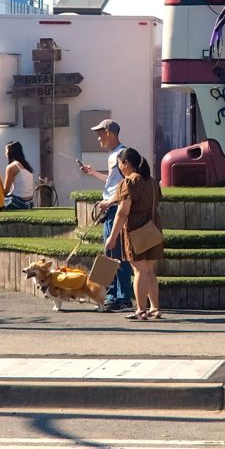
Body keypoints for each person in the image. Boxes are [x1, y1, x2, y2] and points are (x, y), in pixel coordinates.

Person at [77, 119, 133, 312]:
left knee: (115, 252)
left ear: (109, 132)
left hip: (115, 208)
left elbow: (127, 184)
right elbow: (111, 182)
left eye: (100, 133)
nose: (98, 137)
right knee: (111, 252)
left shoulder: (121, 154)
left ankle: (122, 297)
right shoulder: (113, 155)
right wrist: (92, 173)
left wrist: (112, 201)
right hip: (110, 207)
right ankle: (113, 295)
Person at [107, 146, 164, 321]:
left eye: (119, 165)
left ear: (126, 164)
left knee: (139, 271)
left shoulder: (129, 182)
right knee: (149, 271)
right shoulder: (152, 181)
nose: (119, 169)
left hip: (135, 231)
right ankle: (155, 308)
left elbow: (123, 212)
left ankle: (140, 310)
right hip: (153, 229)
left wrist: (113, 236)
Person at [3, 141, 38, 210]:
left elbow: (5, 191)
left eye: (6, 151)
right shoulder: (26, 166)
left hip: (18, 202)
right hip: (29, 202)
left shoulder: (11, 167)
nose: (5, 153)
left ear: (10, 152)